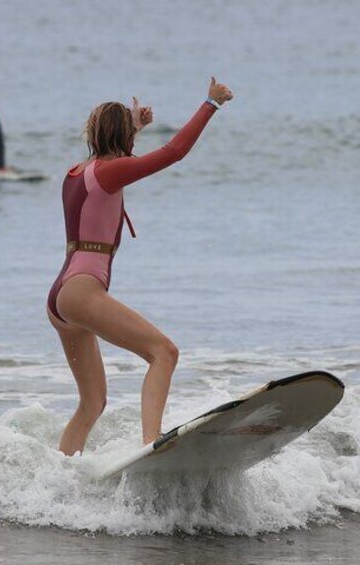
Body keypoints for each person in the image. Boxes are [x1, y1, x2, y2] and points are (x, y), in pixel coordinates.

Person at [46, 77, 234, 456]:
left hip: (61, 296)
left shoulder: (77, 173)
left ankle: (57, 477)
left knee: (92, 403)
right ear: (120, 139)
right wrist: (210, 105)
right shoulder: (110, 173)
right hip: (83, 289)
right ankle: (152, 444)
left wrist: (131, 127)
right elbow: (174, 152)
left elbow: (115, 159)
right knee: (164, 353)